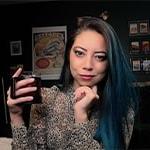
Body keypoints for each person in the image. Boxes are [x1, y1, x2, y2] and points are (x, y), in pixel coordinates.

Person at [7, 16, 139, 150]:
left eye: (100, 57)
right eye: (80, 53)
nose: (88, 65)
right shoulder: (47, 99)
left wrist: (81, 116)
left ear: (109, 62)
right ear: (68, 55)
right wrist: (16, 115)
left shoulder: (123, 105)